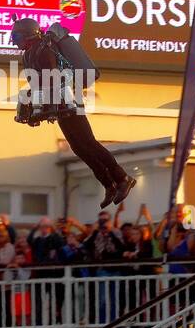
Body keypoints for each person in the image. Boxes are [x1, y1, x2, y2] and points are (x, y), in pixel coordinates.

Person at [9, 17, 134, 208]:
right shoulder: (28, 56)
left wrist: (40, 103)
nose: (14, 39)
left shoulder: (45, 50)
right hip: (57, 104)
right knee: (78, 147)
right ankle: (108, 184)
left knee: (89, 142)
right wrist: (34, 108)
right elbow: (36, 83)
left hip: (68, 99)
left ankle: (123, 178)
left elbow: (54, 78)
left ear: (29, 34)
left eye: (17, 35)